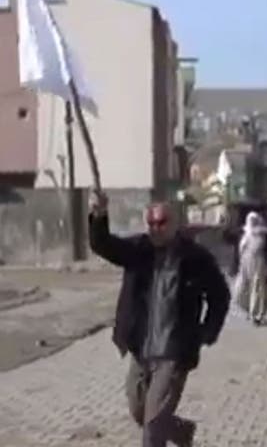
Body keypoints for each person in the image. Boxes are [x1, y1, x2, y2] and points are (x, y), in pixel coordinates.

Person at [88, 191, 230, 447]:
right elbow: (103, 244)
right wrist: (99, 215)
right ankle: (180, 431)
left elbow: (220, 295)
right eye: (151, 223)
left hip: (174, 353)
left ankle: (167, 431)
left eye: (162, 222)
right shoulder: (138, 250)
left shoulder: (195, 258)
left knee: (153, 428)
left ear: (175, 224)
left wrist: (206, 332)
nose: (156, 229)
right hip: (141, 349)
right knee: (139, 410)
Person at [233, 212, 267, 326]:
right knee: (241, 289)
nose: (252, 222)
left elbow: (266, 250)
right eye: (250, 220)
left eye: (254, 220)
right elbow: (239, 250)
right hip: (245, 264)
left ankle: (257, 314)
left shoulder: (263, 234)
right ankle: (249, 310)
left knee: (258, 290)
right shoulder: (245, 234)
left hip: (259, 264)